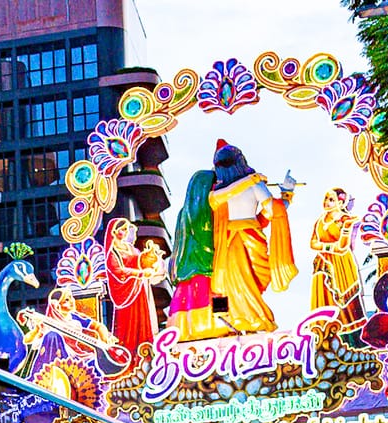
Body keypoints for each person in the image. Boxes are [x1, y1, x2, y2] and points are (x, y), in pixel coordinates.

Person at [208, 139, 298, 335]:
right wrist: (253, 180)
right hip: (233, 240)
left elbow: (270, 212)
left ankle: (251, 320)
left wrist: (286, 194)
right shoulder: (221, 191)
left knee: (250, 281)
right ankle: (232, 320)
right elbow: (217, 200)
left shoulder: (250, 186)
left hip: (248, 238)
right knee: (227, 281)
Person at [167, 169, 219, 341]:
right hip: (208, 270)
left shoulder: (184, 212)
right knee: (217, 310)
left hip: (186, 274)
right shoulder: (210, 209)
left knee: (182, 316)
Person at [103, 218, 166, 355]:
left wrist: (151, 256)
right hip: (126, 294)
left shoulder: (132, 248)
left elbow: (141, 261)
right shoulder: (112, 253)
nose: (125, 232)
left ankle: (145, 351)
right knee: (129, 325)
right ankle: (128, 354)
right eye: (122, 229)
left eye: (127, 229)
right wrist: (140, 273)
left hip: (139, 290)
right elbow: (117, 271)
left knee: (143, 322)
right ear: (114, 232)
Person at [310, 188, 364, 336]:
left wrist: (326, 247)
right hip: (322, 264)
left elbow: (342, 247)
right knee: (322, 297)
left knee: (345, 305)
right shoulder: (320, 221)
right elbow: (313, 243)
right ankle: (322, 333)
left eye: (331, 199)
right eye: (326, 198)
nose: (327, 202)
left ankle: (349, 337)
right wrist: (329, 247)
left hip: (341, 265)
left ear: (341, 202)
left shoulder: (345, 220)